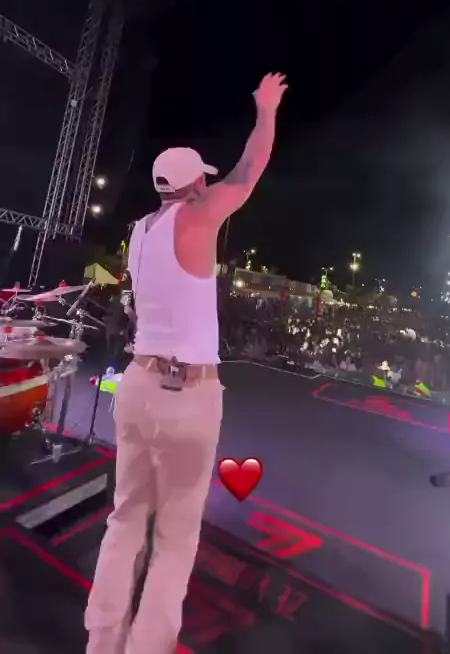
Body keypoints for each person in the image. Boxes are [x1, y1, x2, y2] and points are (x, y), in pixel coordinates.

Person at [85, 71, 287, 654]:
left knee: (125, 520)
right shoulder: (198, 216)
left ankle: (101, 640)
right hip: (187, 395)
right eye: (203, 177)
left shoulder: (139, 232)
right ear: (195, 183)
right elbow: (248, 170)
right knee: (174, 539)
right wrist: (266, 110)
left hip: (138, 386)